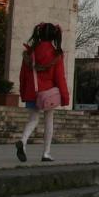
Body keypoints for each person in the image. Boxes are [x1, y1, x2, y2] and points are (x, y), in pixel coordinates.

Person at [16, 23, 70, 162]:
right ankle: (46, 153)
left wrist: (23, 93)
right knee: (48, 122)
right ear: (54, 36)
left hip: (32, 91)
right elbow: (60, 78)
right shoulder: (55, 54)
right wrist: (65, 96)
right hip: (48, 94)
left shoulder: (29, 53)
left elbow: (22, 76)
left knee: (33, 119)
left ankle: (23, 140)